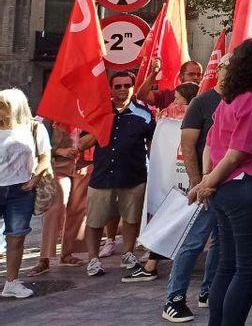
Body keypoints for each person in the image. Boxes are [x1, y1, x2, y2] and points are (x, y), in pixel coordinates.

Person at [187, 38, 252, 326]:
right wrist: (206, 184)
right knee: (245, 270)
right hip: (249, 188)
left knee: (228, 266)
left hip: (230, 191)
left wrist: (208, 181)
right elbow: (238, 153)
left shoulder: (230, 100)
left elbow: (212, 145)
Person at [161, 59, 229, 322]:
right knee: (195, 241)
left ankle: (208, 291)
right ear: (220, 71)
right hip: (207, 185)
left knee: (221, 242)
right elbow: (188, 144)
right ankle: (174, 297)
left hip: (228, 185)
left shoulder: (240, 100)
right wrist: (197, 181)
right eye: (228, 68)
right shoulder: (202, 102)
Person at [125, 82, 202, 284]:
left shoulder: (190, 114)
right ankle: (153, 265)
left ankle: (157, 267)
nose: (174, 102)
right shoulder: (173, 117)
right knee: (173, 220)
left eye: (178, 98)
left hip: (193, 179)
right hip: (182, 180)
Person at [85, 70, 155, 278]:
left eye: (127, 85)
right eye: (118, 86)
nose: (123, 90)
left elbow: (153, 144)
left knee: (131, 219)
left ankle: (128, 253)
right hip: (102, 175)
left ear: (133, 88)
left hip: (133, 175)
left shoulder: (144, 113)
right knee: (95, 221)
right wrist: (102, 123)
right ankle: (93, 259)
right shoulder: (98, 112)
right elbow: (82, 143)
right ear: (111, 89)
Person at [0, 88, 51, 299]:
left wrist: (35, 179)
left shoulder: (34, 128)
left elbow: (45, 158)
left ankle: (11, 282)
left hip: (20, 190)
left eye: (3, 105)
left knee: (16, 237)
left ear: (16, 108)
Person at [29, 120, 89, 277]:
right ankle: (45, 258)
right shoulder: (49, 117)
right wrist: (61, 151)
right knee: (55, 208)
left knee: (78, 210)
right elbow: (39, 144)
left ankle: (67, 254)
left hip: (83, 165)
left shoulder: (89, 111)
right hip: (59, 166)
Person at [137, 60, 205, 110]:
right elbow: (142, 96)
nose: (196, 77)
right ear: (181, 77)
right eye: (191, 74)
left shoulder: (207, 96)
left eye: (199, 75)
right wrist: (154, 73)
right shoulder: (167, 95)